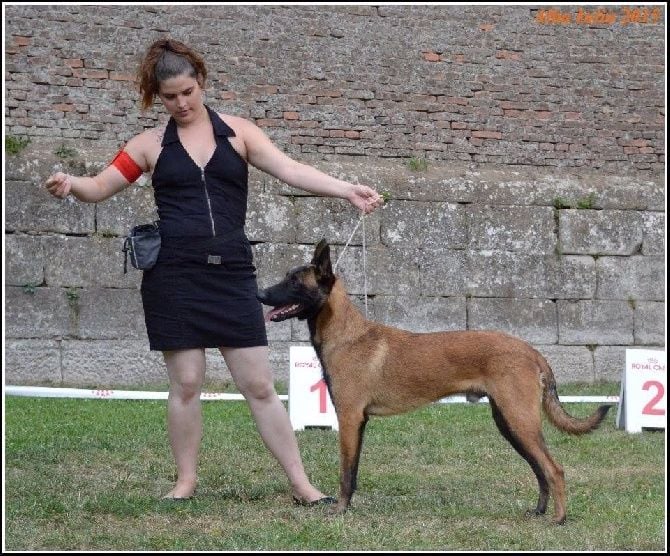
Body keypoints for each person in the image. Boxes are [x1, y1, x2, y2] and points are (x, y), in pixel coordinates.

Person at [45, 38, 384, 504]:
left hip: (231, 273)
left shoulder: (239, 133)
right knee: (185, 385)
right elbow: (101, 185)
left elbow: (289, 168)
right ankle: (184, 482)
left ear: (200, 82)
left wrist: (347, 189)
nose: (181, 103)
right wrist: (71, 185)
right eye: (170, 96)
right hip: (174, 276)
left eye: (187, 91)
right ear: (157, 97)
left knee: (261, 386)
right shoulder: (147, 145)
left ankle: (303, 485)